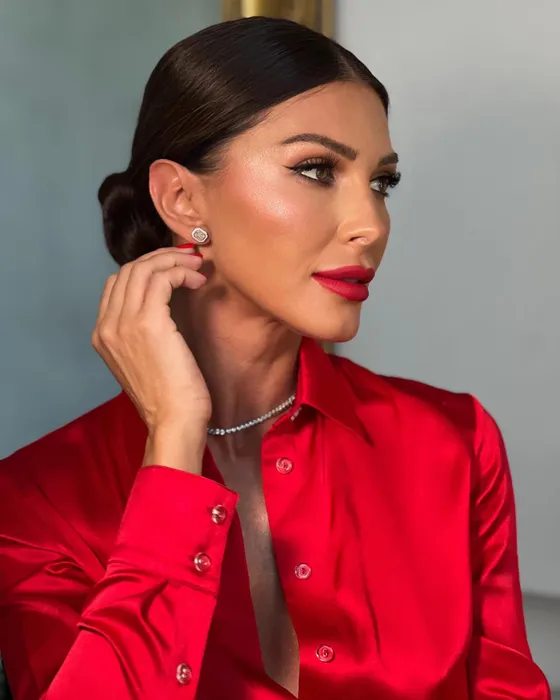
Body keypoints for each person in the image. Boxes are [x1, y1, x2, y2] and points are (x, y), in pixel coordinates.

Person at [0, 16, 551, 700]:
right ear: (181, 198)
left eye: (382, 183)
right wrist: (174, 441)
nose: (372, 225)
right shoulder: (34, 503)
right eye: (316, 170)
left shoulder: (454, 445)